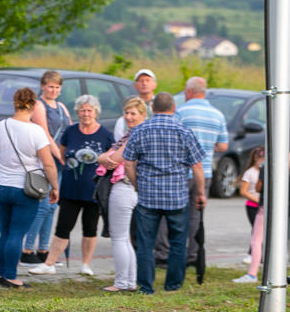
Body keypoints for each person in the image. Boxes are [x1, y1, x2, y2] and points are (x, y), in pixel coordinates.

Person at [122, 92, 206, 294]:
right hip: (176, 197)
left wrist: (137, 185)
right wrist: (200, 193)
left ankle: (146, 286)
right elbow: (197, 167)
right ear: (174, 108)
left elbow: (128, 163)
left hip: (148, 196)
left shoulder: (140, 130)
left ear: (152, 108)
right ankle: (173, 284)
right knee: (178, 242)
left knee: (145, 244)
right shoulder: (184, 131)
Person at [29, 95, 114, 277]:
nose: (85, 114)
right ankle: (49, 263)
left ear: (96, 112)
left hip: (93, 190)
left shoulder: (105, 134)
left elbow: (110, 158)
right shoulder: (70, 131)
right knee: (63, 227)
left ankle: (86, 264)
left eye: (89, 110)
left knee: (90, 228)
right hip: (70, 188)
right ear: (77, 112)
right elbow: (61, 153)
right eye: (82, 110)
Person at [0, 88, 59, 288]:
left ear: (14, 103)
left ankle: (1, 273)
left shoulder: (0, 126)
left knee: (5, 231)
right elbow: (48, 164)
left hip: (2, 185)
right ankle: (11, 276)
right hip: (25, 189)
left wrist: (2, 172)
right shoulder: (36, 131)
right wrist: (54, 186)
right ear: (35, 105)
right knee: (17, 233)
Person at [154, 77, 228, 265]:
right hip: (205, 173)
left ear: (188, 92)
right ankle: (193, 255)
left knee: (169, 212)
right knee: (196, 215)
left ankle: (164, 252)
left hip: (179, 173)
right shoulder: (218, 114)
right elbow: (223, 145)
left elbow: (170, 136)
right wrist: (207, 146)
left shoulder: (181, 112)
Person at [95, 97, 148, 292]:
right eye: (126, 113)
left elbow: (115, 158)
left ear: (143, 115)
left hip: (124, 186)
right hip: (130, 188)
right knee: (125, 238)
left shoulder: (135, 135)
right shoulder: (129, 135)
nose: (128, 117)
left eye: (133, 113)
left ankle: (121, 283)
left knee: (118, 238)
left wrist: (104, 158)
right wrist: (104, 157)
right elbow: (104, 156)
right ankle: (129, 281)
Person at [21, 70, 71, 265]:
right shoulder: (39, 105)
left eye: (57, 87)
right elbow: (44, 133)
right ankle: (27, 249)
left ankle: (44, 249)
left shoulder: (61, 106)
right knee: (42, 205)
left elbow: (69, 128)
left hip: (60, 160)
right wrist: (59, 155)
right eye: (50, 86)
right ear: (43, 86)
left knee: (52, 206)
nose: (53, 90)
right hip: (46, 159)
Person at [233, 164, 265, 284]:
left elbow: (258, 188)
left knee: (256, 240)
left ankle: (252, 274)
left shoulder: (267, 165)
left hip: (265, 206)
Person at [237, 146, 264, 265]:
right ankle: (251, 254)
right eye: (261, 158)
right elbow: (243, 191)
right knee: (256, 230)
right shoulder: (250, 173)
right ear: (255, 158)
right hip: (253, 206)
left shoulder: (267, 171)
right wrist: (258, 200)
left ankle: (260, 254)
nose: (263, 161)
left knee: (263, 231)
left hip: (263, 205)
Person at [114, 69, 156, 140]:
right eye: (141, 81)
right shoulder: (128, 104)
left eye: (147, 80)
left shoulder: (161, 104)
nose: (144, 83)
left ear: (155, 84)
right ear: (135, 85)